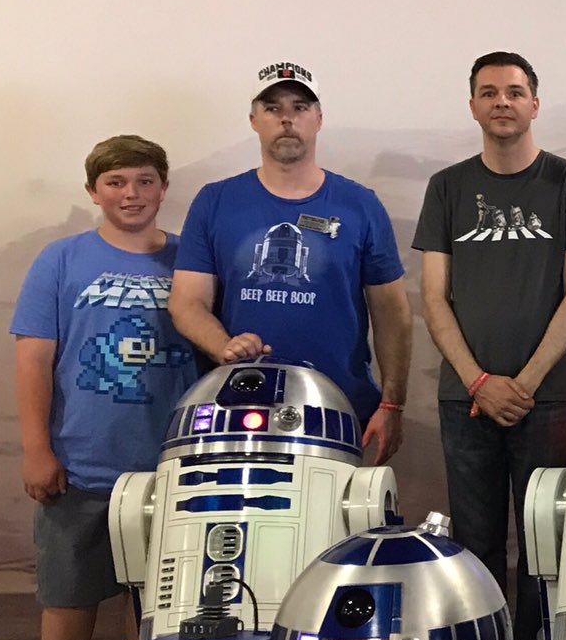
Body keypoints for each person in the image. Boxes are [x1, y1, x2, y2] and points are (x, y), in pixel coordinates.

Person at [413, 51, 566, 640]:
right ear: (472, 105)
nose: (503, 101)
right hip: (464, 401)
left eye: (515, 91)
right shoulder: (446, 187)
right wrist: (478, 383)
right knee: (475, 545)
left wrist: (521, 382)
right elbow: (433, 298)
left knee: (543, 549)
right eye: (489, 92)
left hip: (546, 398)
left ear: (534, 104)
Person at [11, 135, 198, 640]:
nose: (132, 195)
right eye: (117, 182)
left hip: (172, 464)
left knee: (157, 597)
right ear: (94, 191)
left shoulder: (189, 259)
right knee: (68, 593)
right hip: (84, 459)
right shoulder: (61, 259)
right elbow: (35, 357)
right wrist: (37, 447)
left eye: (145, 181)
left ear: (163, 188)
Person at [169, 62, 411, 461]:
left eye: (299, 107)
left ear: (318, 119)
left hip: (338, 412)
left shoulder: (360, 205)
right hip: (233, 410)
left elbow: (392, 312)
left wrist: (392, 404)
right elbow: (186, 302)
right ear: (254, 120)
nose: (286, 118)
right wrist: (225, 346)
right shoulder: (215, 201)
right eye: (272, 108)